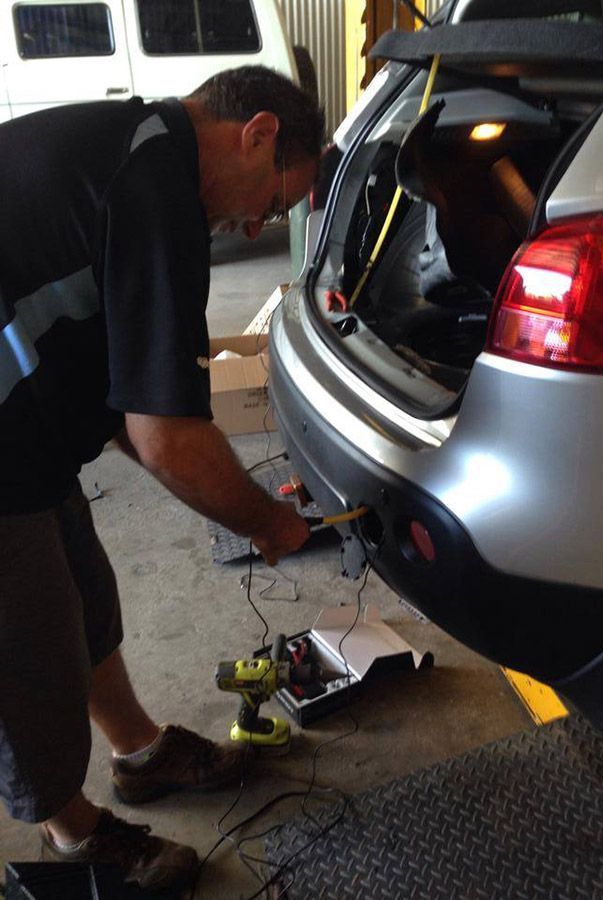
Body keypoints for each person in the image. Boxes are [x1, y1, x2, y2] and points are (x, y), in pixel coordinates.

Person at [0, 66, 324, 891]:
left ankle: (139, 753)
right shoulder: (155, 191)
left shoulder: (140, 151)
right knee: (27, 644)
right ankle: (72, 834)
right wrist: (266, 522)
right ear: (256, 134)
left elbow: (127, 401)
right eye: (278, 201)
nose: (258, 220)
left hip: (22, 413)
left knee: (81, 584)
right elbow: (169, 438)